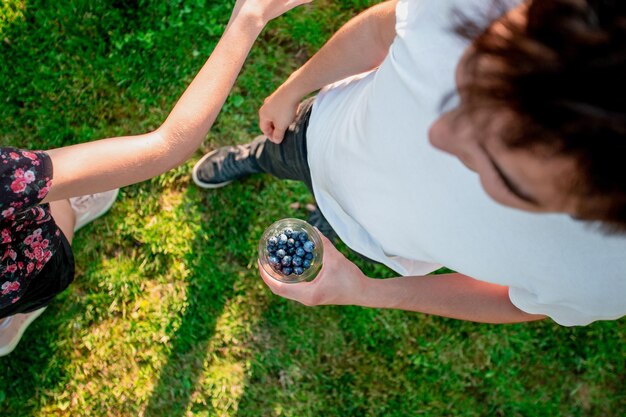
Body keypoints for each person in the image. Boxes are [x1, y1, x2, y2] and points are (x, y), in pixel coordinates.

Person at [192, 0, 626, 326]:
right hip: (321, 136)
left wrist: (366, 290)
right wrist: (294, 88)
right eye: (466, 86)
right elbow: (386, 30)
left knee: (329, 220)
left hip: (385, 238)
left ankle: (326, 217)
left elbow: (521, 302)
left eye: (489, 160)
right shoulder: (485, 6)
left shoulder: (609, 277)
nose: (437, 134)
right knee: (274, 153)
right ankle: (252, 160)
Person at [0, 0, 313, 357]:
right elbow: (164, 146)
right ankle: (63, 228)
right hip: (21, 264)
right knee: (54, 210)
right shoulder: (7, 180)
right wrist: (248, 19)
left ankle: (6, 326)